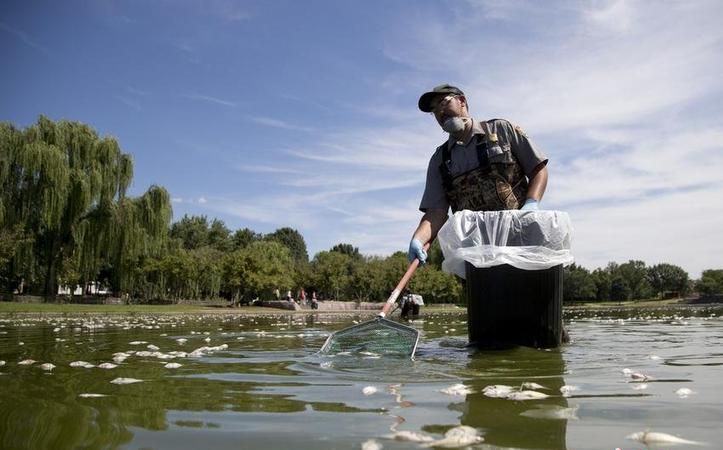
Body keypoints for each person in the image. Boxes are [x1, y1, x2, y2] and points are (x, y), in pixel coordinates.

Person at [407, 84, 549, 264]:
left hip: (520, 242)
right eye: (434, 110)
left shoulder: (501, 130)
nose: (439, 112)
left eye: (443, 103)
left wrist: (531, 204)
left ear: (462, 101)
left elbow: (538, 169)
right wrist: (418, 239)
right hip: (475, 253)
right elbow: (436, 211)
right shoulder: (439, 160)